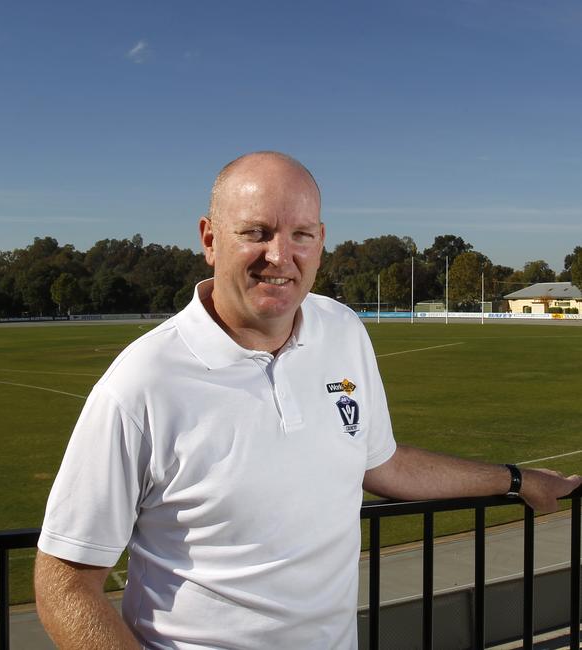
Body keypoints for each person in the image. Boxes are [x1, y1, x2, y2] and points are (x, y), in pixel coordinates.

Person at [35, 151, 581, 650]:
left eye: (301, 234)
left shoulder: (343, 330)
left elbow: (383, 462)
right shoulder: (140, 382)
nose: (280, 255)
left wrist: (516, 480)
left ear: (321, 240)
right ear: (209, 239)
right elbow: (64, 584)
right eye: (256, 232)